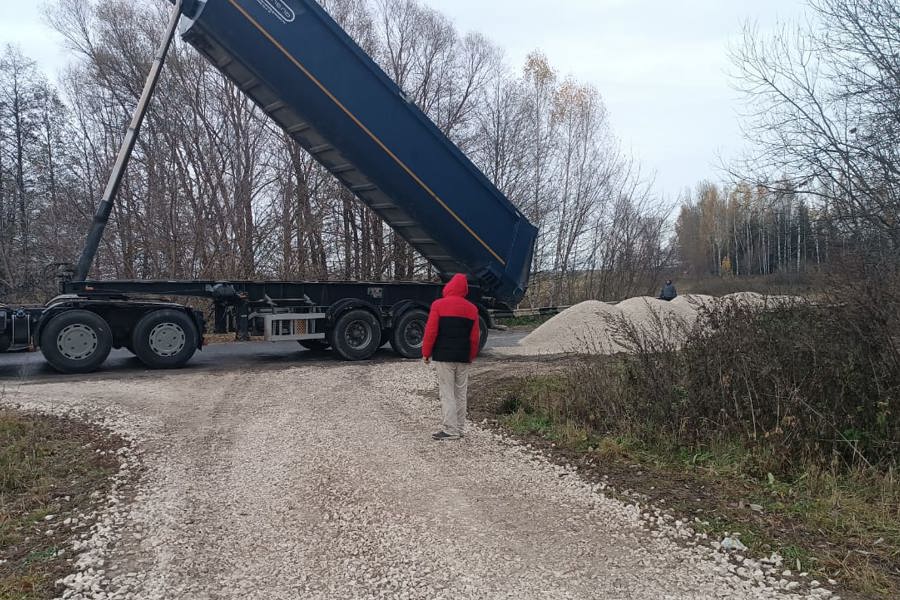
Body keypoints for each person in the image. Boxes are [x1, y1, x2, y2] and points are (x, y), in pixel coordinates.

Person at [422, 273, 481, 441]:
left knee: (447, 393)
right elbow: (475, 337)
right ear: (465, 290)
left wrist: (426, 353)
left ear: (449, 287)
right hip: (463, 356)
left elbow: (431, 331)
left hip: (444, 356)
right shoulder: (472, 309)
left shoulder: (438, 305)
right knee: (461, 393)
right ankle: (460, 428)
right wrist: (471, 355)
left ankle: (450, 429)